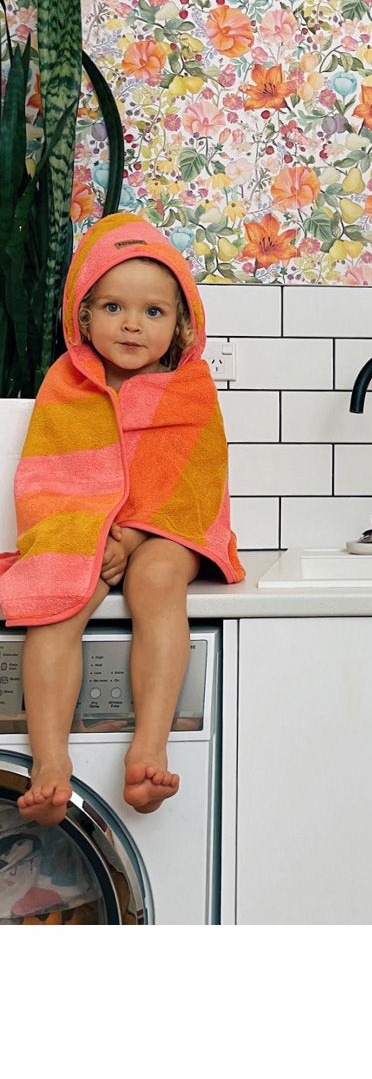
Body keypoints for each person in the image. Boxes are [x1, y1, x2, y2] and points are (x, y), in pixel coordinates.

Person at [0, 213, 245, 826]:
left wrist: (134, 535)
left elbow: (193, 476)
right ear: (83, 315)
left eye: (154, 312)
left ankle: (149, 747)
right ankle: (51, 761)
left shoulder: (186, 387)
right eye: (113, 306)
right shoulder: (68, 383)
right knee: (57, 599)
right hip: (87, 523)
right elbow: (50, 471)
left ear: (182, 322)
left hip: (168, 529)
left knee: (157, 581)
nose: (133, 323)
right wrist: (86, 536)